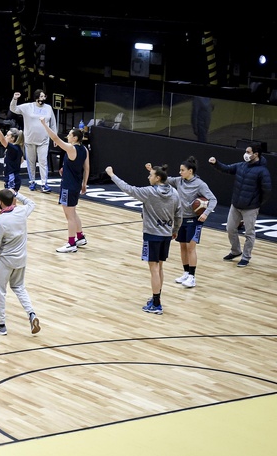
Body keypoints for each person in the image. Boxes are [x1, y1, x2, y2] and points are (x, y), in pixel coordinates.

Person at [106, 165, 182, 315]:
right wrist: (175, 230)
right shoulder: (174, 192)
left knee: (153, 269)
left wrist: (112, 175)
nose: (148, 177)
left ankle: (156, 304)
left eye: (151, 175)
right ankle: (156, 298)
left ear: (157, 178)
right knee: (160, 267)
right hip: (166, 234)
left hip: (152, 235)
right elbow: (179, 214)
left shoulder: (149, 193)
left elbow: (128, 189)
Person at [147, 157, 217, 288]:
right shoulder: (179, 181)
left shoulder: (200, 184)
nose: (180, 172)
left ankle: (192, 276)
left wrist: (205, 213)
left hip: (194, 220)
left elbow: (213, 199)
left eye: (182, 170)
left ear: (190, 171)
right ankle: (185, 272)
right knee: (183, 247)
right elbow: (163, 179)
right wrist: (152, 170)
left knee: (191, 247)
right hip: (181, 219)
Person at [0, 188, 40, 335]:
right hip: (21, 259)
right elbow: (31, 203)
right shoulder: (21, 212)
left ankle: (1, 325)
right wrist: (17, 193)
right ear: (13, 201)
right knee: (19, 287)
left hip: (5, 261)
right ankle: (31, 314)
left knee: (0, 291)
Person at [210, 144, 272, 267]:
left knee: (249, 233)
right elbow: (226, 168)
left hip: (251, 207)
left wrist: (257, 203)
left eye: (248, 152)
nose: (246, 154)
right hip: (236, 205)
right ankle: (236, 251)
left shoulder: (262, 171)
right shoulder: (241, 166)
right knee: (230, 229)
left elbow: (267, 190)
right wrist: (216, 163)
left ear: (256, 154)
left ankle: (246, 257)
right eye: (246, 152)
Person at [40, 119, 89, 253]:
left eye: (69, 134)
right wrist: (84, 183)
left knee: (69, 217)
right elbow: (87, 167)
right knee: (73, 212)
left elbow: (55, 137)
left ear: (74, 138)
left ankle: (71, 243)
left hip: (68, 185)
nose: (67, 136)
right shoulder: (84, 149)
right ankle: (80, 237)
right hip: (77, 184)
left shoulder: (71, 148)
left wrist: (44, 125)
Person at [10, 90, 56, 193]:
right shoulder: (28, 107)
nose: (43, 98)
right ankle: (32, 181)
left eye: (44, 96)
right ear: (36, 97)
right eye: (41, 96)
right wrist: (15, 99)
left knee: (43, 161)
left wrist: (54, 137)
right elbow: (13, 109)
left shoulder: (48, 108)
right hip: (30, 139)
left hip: (44, 140)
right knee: (31, 162)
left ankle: (44, 184)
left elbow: (53, 123)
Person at [0, 117, 23, 192]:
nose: (5, 137)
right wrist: (9, 168)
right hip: (11, 176)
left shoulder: (14, 148)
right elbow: (21, 160)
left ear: (12, 138)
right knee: (11, 198)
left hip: (12, 177)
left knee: (9, 197)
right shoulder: (17, 148)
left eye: (7, 135)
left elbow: (2, 139)